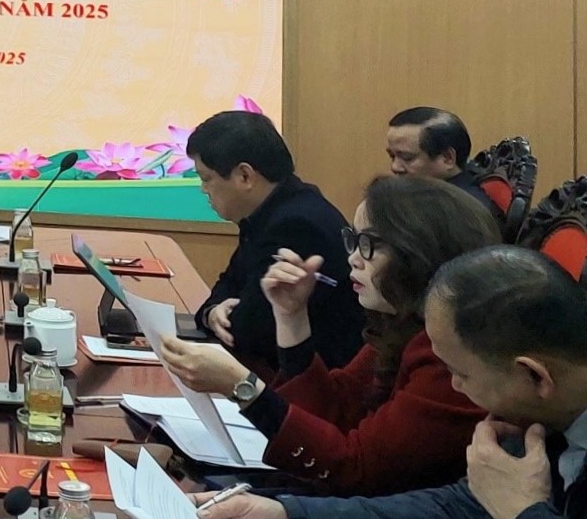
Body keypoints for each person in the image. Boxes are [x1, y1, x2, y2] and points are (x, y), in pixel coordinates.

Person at [160, 176, 499, 496]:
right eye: (353, 240)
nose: (353, 258)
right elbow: (336, 408)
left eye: (369, 245)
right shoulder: (399, 325)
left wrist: (243, 387)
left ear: (419, 254)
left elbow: (355, 467)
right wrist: (291, 317)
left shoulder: (450, 351)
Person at [194, 246, 587, 519]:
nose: (454, 386)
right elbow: (462, 504)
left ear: (535, 376)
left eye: (462, 374)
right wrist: (286, 512)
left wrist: (524, 512)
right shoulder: (538, 414)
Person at [189, 111, 365, 371]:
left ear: (245, 176)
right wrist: (212, 312)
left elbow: (249, 332)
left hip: (319, 381)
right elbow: (229, 282)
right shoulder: (273, 209)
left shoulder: (296, 224)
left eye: (206, 179)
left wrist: (216, 317)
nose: (203, 189)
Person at [386, 107, 492, 210]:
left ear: (447, 158)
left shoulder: (464, 210)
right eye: (392, 156)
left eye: (407, 158)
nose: (395, 167)